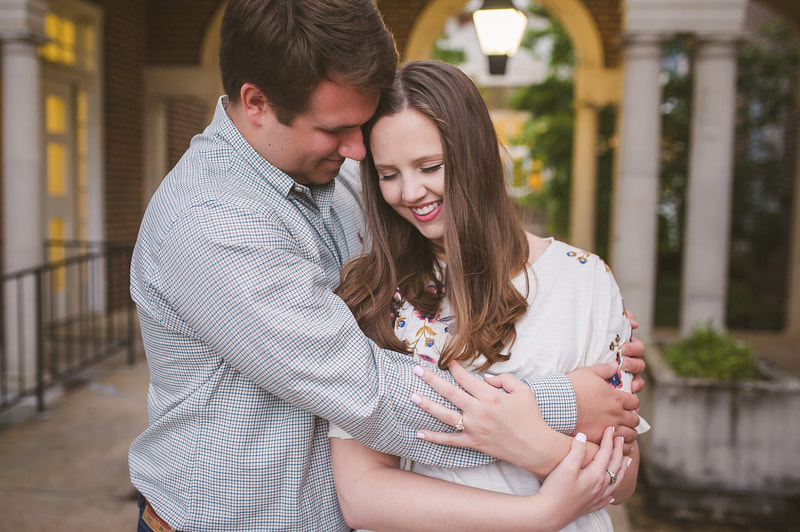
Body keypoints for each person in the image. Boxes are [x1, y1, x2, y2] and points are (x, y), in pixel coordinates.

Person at [128, 1, 646, 530]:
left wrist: (590, 329)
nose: (358, 152)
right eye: (336, 129)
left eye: (363, 128)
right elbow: (372, 392)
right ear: (256, 103)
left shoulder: (348, 172)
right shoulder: (210, 219)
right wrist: (569, 401)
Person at [329, 60, 648, 531]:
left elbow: (624, 479)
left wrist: (531, 445)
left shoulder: (586, 280)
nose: (411, 192)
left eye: (429, 166)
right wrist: (540, 503)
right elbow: (362, 494)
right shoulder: (374, 293)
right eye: (388, 174)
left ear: (474, 154)